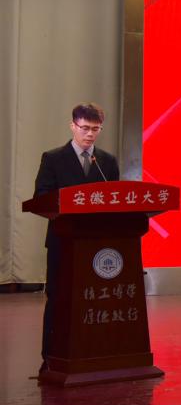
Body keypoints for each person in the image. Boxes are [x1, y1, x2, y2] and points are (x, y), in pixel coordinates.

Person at [34, 103, 121, 372]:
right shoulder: (53, 158)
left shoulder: (107, 162)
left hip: (97, 244)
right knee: (59, 297)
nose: (90, 134)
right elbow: (41, 197)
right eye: (85, 128)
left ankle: (96, 352)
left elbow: (115, 199)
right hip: (63, 241)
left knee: (96, 297)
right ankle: (52, 355)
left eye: (96, 129)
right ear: (73, 126)